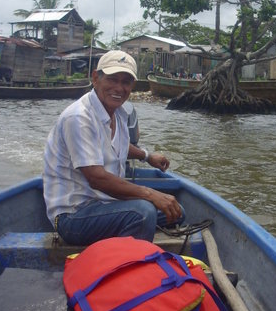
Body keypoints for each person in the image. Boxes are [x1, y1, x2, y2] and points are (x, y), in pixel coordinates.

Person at [43, 50, 183, 246]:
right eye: (112, 79)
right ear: (95, 78)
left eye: (125, 82)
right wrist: (151, 194)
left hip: (107, 204)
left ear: (132, 86)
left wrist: (147, 156)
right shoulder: (79, 117)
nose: (119, 88)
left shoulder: (118, 114)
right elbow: (96, 178)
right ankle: (125, 264)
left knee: (176, 212)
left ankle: (127, 237)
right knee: (143, 212)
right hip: (73, 216)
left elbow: (118, 144)